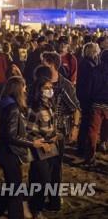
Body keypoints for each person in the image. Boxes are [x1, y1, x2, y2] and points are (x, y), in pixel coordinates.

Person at [0, 76, 46, 219]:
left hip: (5, 151)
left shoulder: (5, 104)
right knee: (15, 190)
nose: (25, 90)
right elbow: (11, 136)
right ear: (18, 89)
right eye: (23, 87)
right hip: (10, 153)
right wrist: (32, 143)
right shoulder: (13, 108)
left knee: (12, 188)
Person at [40, 51, 80, 211]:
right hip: (40, 132)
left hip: (58, 133)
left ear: (52, 64)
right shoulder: (40, 81)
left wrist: (75, 128)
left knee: (55, 168)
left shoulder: (65, 85)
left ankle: (54, 200)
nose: (42, 65)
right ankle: (40, 199)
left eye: (44, 63)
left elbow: (75, 108)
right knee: (40, 167)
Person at [27, 76, 59, 218]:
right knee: (42, 179)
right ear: (39, 89)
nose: (49, 90)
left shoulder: (50, 104)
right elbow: (29, 131)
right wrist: (42, 143)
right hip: (39, 148)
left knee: (43, 178)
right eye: (46, 88)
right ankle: (36, 209)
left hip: (52, 146)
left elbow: (51, 123)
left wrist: (55, 135)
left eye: (50, 87)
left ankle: (33, 205)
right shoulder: (35, 108)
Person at [83, 50, 108, 164]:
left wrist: (88, 102)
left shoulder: (95, 70)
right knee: (105, 128)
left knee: (93, 131)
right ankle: (103, 143)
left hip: (96, 103)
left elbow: (89, 88)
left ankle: (90, 156)